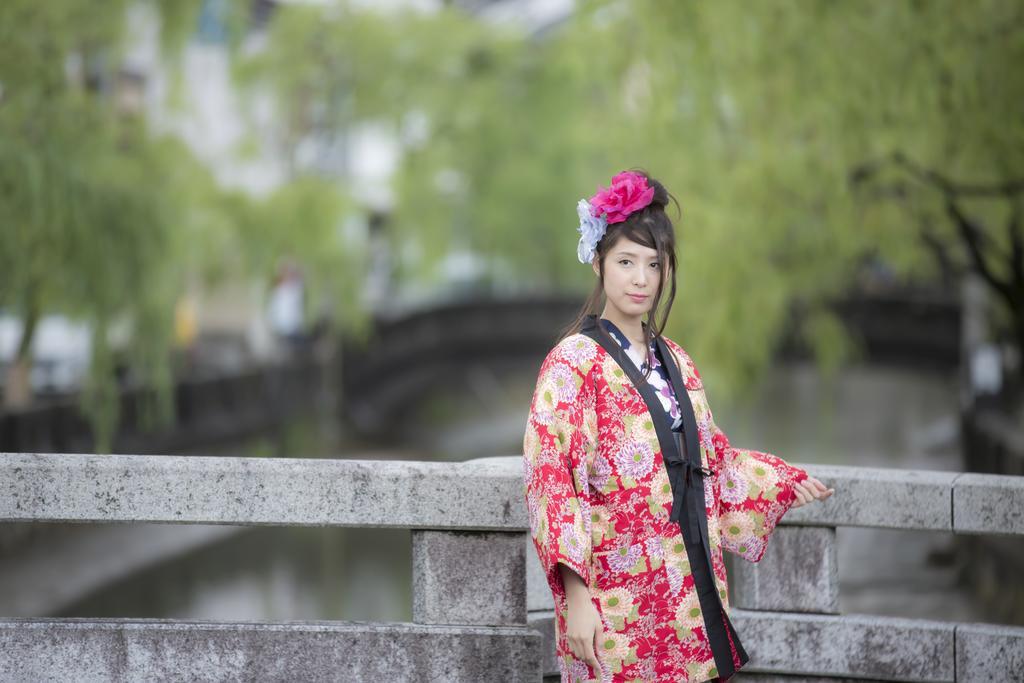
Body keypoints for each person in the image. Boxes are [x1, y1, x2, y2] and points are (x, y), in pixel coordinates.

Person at [522, 170, 834, 683]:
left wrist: (779, 482)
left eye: (654, 265)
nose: (640, 279)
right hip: (614, 602)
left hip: (686, 593)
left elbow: (712, 462)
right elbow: (551, 482)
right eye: (625, 262)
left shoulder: (678, 363)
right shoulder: (572, 364)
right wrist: (577, 598)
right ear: (599, 263)